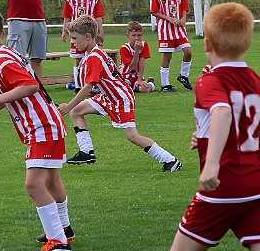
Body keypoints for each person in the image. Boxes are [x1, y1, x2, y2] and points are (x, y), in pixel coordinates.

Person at [168, 2, 260, 251]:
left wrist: (212, 162)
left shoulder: (210, 80)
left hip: (224, 186)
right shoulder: (256, 80)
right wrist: (206, 136)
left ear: (206, 43)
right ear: (249, 41)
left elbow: (223, 112)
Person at [0, 7, 74, 251]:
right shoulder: (6, 53)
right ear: (2, 32)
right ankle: (65, 229)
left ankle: (58, 242)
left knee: (34, 184)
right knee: (51, 180)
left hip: (43, 126)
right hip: (47, 122)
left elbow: (30, 85)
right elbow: (24, 84)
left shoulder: (2, 60)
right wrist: (5, 101)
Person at [58, 15, 182, 172]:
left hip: (121, 99)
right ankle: (86, 152)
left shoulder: (95, 57)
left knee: (132, 136)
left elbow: (88, 87)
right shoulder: (93, 53)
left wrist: (68, 105)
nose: (73, 42)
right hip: (109, 97)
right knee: (77, 111)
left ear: (88, 37)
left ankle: (170, 160)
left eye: (75, 38)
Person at [150, 0, 192, 93]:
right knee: (167, 56)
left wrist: (183, 19)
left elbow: (184, 8)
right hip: (165, 31)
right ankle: (165, 84)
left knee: (188, 51)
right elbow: (154, 11)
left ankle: (183, 76)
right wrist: (170, 19)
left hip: (179, 30)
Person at [61, 0, 104, 93]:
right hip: (76, 35)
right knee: (78, 59)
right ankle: (78, 86)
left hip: (90, 35)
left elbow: (98, 17)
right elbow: (67, 17)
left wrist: (101, 32)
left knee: (92, 59)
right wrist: (64, 31)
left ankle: (93, 85)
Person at [119, 21, 155, 93]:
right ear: (128, 36)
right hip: (125, 75)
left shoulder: (144, 45)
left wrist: (139, 79)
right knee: (124, 89)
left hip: (137, 76)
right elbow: (132, 67)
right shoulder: (124, 48)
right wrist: (137, 51)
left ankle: (150, 84)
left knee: (143, 89)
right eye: (133, 35)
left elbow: (142, 62)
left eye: (139, 35)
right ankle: (144, 84)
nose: (136, 38)